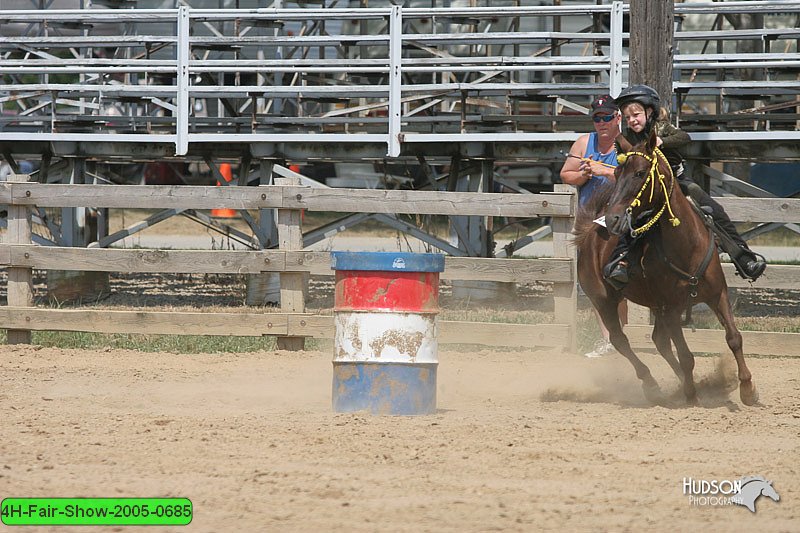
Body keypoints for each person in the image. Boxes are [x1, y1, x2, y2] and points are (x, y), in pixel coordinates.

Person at [604, 84, 767, 288]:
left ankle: (743, 258)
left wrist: (662, 141)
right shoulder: (625, 139)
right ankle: (620, 261)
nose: (632, 121)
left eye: (636, 115)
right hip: (645, 190)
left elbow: (684, 137)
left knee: (714, 210)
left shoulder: (662, 128)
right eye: (628, 118)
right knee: (631, 217)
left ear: (649, 111)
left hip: (676, 183)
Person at [560, 95, 628, 358]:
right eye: (598, 118)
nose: (602, 123)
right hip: (589, 222)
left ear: (617, 118)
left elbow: (633, 174)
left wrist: (603, 170)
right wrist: (584, 174)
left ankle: (619, 335)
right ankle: (609, 338)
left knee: (618, 284)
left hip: (616, 221)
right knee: (593, 284)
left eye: (607, 117)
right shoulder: (583, 142)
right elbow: (566, 174)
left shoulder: (625, 145)